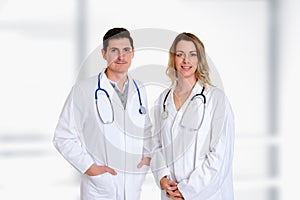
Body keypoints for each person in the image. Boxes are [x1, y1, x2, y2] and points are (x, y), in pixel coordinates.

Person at [53, 27, 152, 200]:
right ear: (104, 53)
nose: (121, 56)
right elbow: (63, 137)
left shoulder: (140, 89)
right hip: (100, 189)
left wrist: (145, 162)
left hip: (133, 186)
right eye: (114, 50)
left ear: (133, 53)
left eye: (126, 50)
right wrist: (91, 169)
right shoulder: (84, 90)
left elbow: (147, 131)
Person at [151, 32, 235, 200]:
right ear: (173, 59)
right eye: (180, 54)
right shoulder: (163, 100)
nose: (186, 60)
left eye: (192, 54)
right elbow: (155, 145)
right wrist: (162, 177)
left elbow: (220, 155)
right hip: (171, 194)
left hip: (205, 194)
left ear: (199, 59)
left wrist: (186, 190)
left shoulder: (216, 99)